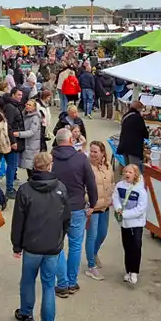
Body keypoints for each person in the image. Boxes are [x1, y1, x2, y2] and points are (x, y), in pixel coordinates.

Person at [11, 151, 71, 321]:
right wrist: (61, 237)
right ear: (49, 166)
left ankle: (26, 313)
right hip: (52, 245)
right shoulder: (60, 188)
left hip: (32, 245)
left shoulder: (25, 190)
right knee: (48, 285)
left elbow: (18, 221)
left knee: (28, 280)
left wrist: (17, 245)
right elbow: (66, 218)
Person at [51, 128, 98, 298]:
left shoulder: (50, 158)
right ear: (71, 140)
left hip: (56, 207)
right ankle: (71, 282)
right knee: (75, 245)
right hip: (77, 207)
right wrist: (93, 203)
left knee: (58, 246)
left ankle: (61, 284)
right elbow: (91, 183)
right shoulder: (80, 158)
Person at [112, 164, 149, 284]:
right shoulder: (119, 186)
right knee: (127, 246)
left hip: (137, 223)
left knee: (136, 246)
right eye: (126, 172)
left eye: (130, 172)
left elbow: (141, 208)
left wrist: (125, 214)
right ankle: (128, 271)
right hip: (125, 223)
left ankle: (134, 271)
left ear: (135, 175)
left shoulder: (141, 191)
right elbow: (115, 198)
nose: (127, 174)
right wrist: (118, 209)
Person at [84, 141, 115, 281]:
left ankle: (94, 253)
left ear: (102, 152)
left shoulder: (108, 166)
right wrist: (87, 201)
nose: (93, 154)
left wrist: (112, 196)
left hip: (106, 206)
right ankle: (91, 266)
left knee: (102, 234)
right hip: (92, 207)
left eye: (96, 151)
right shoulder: (86, 167)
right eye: (91, 151)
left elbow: (112, 182)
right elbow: (82, 187)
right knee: (92, 235)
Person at [2, 88, 26, 199]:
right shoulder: (11, 107)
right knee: (12, 165)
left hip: (14, 140)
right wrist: (13, 141)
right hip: (13, 141)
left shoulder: (13, 106)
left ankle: (10, 187)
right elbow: (8, 125)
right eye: (18, 94)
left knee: (12, 165)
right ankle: (9, 189)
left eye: (21, 95)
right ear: (12, 95)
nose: (20, 96)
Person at [117, 100, 150, 170]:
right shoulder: (138, 118)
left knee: (128, 168)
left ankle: (127, 180)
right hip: (134, 148)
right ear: (139, 109)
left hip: (124, 145)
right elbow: (145, 133)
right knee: (135, 169)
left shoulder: (125, 116)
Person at [15, 98, 43, 179]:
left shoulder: (35, 118)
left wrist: (19, 134)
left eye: (29, 105)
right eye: (27, 104)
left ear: (34, 108)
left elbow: (32, 132)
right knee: (28, 166)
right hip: (27, 144)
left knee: (31, 166)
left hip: (32, 146)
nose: (27, 106)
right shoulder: (25, 115)